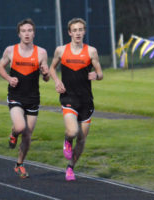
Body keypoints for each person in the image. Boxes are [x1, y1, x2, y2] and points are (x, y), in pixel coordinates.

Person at [49, 18, 103, 181]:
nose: (78, 33)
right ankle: (67, 140)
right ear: (69, 32)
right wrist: (57, 81)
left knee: (81, 139)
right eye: (75, 30)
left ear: (84, 32)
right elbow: (52, 67)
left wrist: (97, 75)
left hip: (86, 100)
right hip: (68, 97)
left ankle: (70, 167)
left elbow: (100, 73)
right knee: (73, 131)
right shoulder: (61, 50)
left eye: (81, 30)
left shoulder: (91, 51)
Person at [0, 18, 49, 178]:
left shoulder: (41, 52)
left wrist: (45, 74)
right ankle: (13, 132)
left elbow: (45, 78)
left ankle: (19, 164)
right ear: (19, 33)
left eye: (30, 31)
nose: (27, 34)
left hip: (33, 98)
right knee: (20, 127)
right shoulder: (10, 50)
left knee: (27, 135)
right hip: (15, 96)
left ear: (34, 33)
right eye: (24, 31)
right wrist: (9, 79)